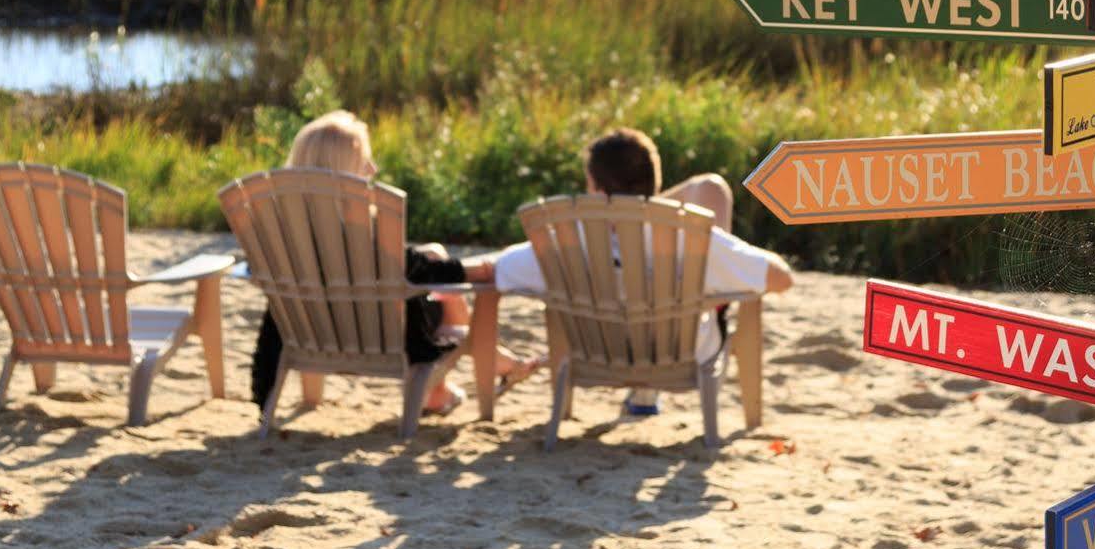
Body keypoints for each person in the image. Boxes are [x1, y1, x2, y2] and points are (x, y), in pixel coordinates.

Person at [247, 111, 541, 417]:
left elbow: (406, 264)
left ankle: (457, 385)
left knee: (432, 255)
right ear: (342, 170)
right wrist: (476, 272)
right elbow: (412, 270)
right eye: (365, 164)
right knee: (441, 293)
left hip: (311, 334)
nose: (373, 169)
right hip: (376, 338)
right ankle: (479, 372)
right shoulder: (358, 225)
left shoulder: (276, 230)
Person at [485, 127, 793, 418]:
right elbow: (781, 279)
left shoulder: (566, 242)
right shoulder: (692, 241)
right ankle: (654, 387)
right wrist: (731, 246)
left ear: (597, 190)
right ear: (654, 184)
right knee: (711, 202)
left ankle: (629, 398)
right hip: (681, 352)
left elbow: (489, 271)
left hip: (596, 351)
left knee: (708, 189)